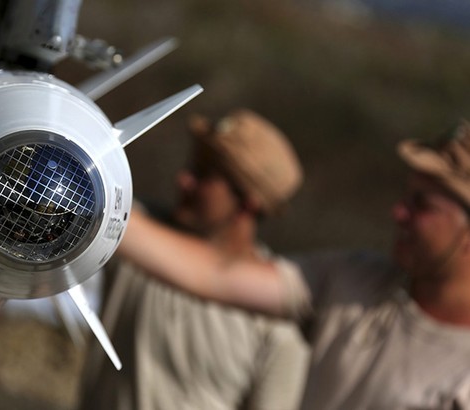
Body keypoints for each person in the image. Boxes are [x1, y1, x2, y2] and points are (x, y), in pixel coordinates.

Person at [116, 118, 470, 409]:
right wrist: (101, 210)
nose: (398, 212)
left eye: (422, 205)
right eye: (406, 197)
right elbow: (216, 274)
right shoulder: (355, 279)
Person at [78, 109, 310, 410]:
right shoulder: (131, 226)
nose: (183, 180)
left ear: (249, 202)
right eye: (191, 167)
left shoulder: (278, 316)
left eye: (203, 175)